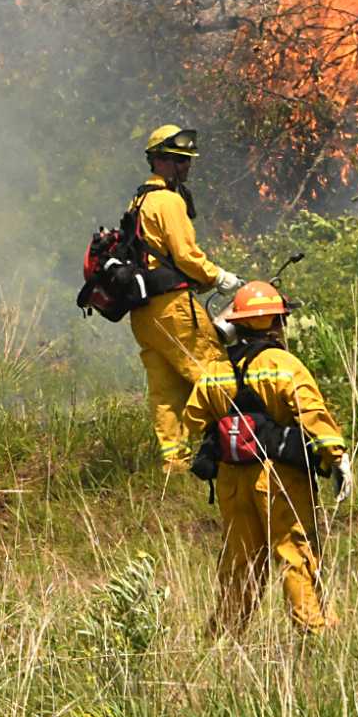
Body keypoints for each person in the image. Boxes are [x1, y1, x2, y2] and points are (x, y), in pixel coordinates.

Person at [180, 281, 352, 635]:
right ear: (275, 322)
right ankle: (314, 633)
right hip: (278, 479)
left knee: (241, 562)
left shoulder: (215, 370)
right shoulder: (283, 364)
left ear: (238, 323)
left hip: (231, 481)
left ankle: (224, 637)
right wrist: (337, 457)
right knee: (295, 553)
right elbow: (313, 414)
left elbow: (192, 420)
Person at [127, 124, 243, 468]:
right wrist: (219, 277)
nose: (185, 167)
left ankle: (174, 463)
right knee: (215, 372)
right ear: (158, 161)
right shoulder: (168, 201)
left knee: (166, 391)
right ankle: (236, 446)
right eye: (178, 160)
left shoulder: (139, 199)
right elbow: (185, 255)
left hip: (145, 313)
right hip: (172, 309)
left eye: (187, 160)